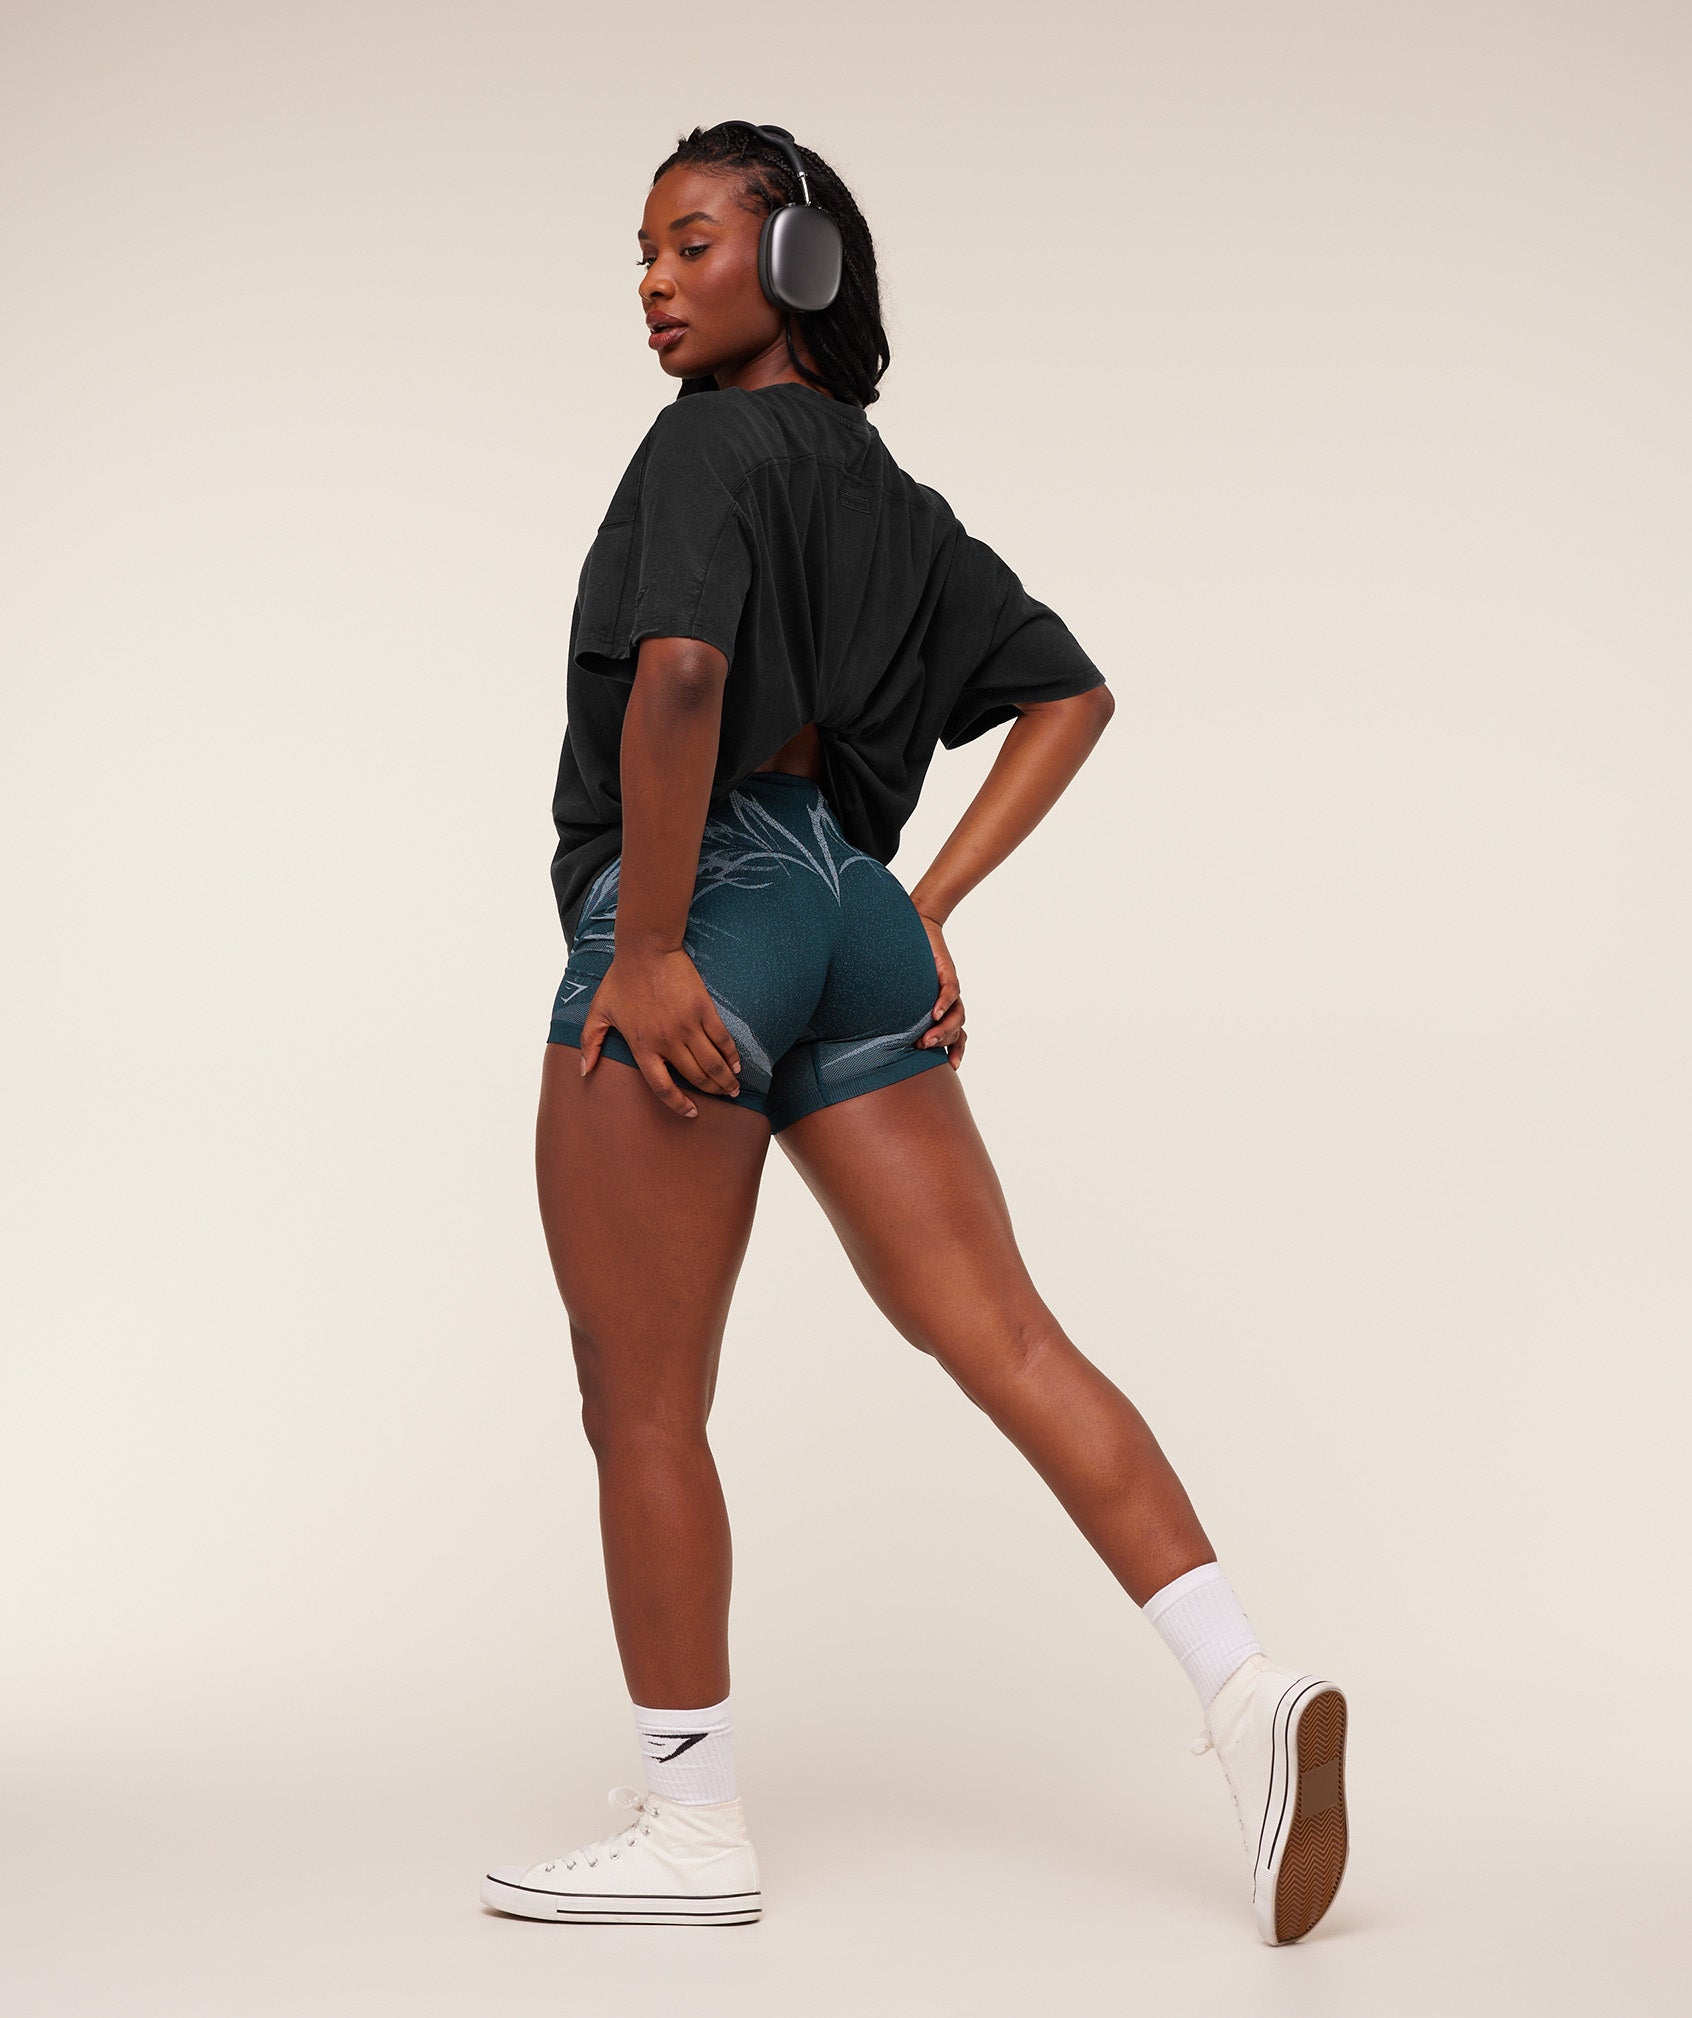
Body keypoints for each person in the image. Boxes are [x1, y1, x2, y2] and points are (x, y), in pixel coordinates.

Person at [479, 121, 1349, 1946]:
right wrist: (922, 905)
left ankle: (691, 1820)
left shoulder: (702, 445)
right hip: (850, 911)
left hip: (706, 901)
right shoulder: (895, 501)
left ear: (797, 260)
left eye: (691, 241)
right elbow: (1067, 693)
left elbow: (685, 675)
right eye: (642, 251)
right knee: (1008, 1334)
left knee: (641, 1393)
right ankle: (1243, 1683)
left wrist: (654, 945)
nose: (651, 282)